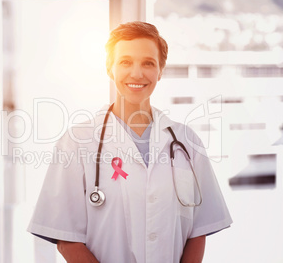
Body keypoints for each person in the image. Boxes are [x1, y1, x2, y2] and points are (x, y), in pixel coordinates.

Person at [28, 21, 232, 263]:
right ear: (109, 68)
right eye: (125, 62)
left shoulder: (187, 142)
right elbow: (67, 239)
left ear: (160, 71)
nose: (137, 73)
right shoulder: (77, 141)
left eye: (148, 63)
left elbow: (198, 231)